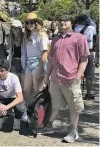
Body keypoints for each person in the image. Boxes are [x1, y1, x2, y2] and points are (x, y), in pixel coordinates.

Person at [40, 14, 89, 143]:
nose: (62, 22)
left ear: (71, 22)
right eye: (60, 20)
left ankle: (73, 131)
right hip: (55, 79)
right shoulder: (55, 39)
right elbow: (50, 60)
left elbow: (84, 59)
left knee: (74, 107)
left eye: (66, 20)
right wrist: (47, 76)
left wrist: (78, 76)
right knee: (55, 104)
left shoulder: (79, 38)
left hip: (71, 78)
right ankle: (49, 126)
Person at [0, 59, 28, 130]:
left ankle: (17, 119)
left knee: (21, 108)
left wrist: (7, 107)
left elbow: (20, 97)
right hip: (1, 98)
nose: (0, 73)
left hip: (13, 98)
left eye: (2, 71)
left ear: (8, 69)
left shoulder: (14, 77)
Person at [21, 12, 48, 105]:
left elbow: (44, 55)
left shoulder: (42, 35)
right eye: (27, 23)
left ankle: (41, 115)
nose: (29, 25)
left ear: (36, 23)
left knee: (38, 91)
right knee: (26, 90)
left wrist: (40, 70)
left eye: (31, 22)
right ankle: (31, 110)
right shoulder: (27, 35)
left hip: (38, 63)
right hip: (29, 63)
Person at [74, 14, 95, 100]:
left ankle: (77, 93)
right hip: (89, 53)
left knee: (78, 73)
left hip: (77, 53)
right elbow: (93, 25)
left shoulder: (75, 29)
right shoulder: (91, 28)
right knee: (89, 74)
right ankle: (89, 93)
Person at [8, 19, 24, 84]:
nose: (14, 30)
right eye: (13, 28)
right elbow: (10, 52)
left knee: (23, 83)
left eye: (16, 28)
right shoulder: (11, 38)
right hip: (14, 61)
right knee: (15, 82)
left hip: (23, 62)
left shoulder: (24, 37)